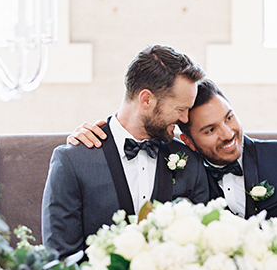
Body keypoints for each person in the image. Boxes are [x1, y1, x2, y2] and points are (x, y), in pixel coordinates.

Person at [68, 79, 277, 231]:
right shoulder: (181, 172)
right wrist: (89, 135)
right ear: (188, 140)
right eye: (210, 130)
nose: (228, 133)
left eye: (229, 117)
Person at [42, 44, 209, 258]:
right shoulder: (72, 161)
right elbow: (60, 256)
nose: (185, 119)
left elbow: (201, 249)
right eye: (180, 109)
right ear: (146, 99)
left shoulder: (189, 160)